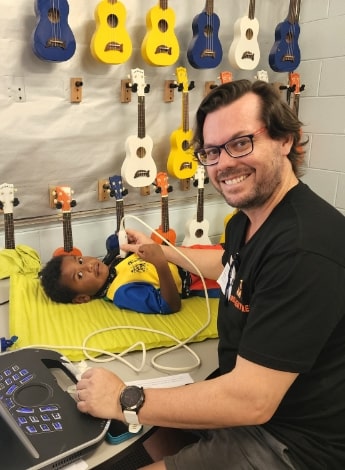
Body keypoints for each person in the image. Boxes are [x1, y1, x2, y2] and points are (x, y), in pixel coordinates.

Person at [75, 79, 345, 469]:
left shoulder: (305, 248)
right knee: (133, 448)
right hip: (242, 400)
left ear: (286, 140)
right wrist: (160, 254)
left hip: (290, 440)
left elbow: (251, 400)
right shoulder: (250, 220)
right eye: (212, 151)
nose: (223, 164)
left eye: (240, 143)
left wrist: (124, 398)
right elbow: (230, 264)